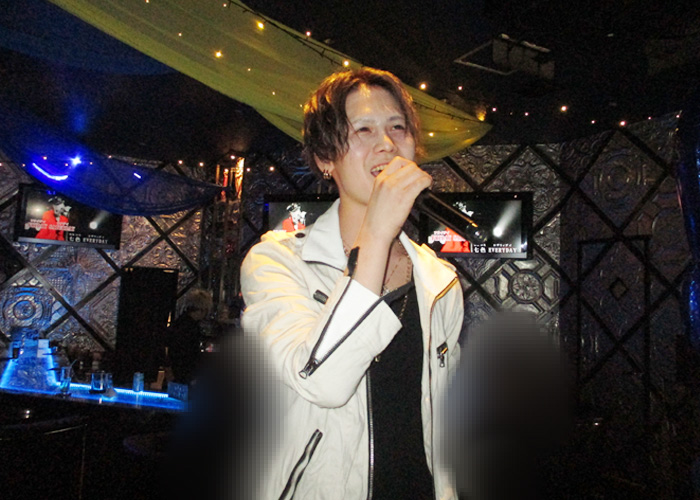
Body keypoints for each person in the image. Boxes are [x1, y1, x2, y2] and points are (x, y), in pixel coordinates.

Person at [240, 67, 463, 499]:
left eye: (397, 127)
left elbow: (441, 422)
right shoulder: (278, 262)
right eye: (364, 129)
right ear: (326, 158)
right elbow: (321, 383)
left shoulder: (439, 280)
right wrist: (375, 236)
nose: (387, 144)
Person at [166, 288, 213, 385]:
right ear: (201, 310)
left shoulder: (180, 323)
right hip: (184, 372)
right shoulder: (192, 328)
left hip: (177, 371)